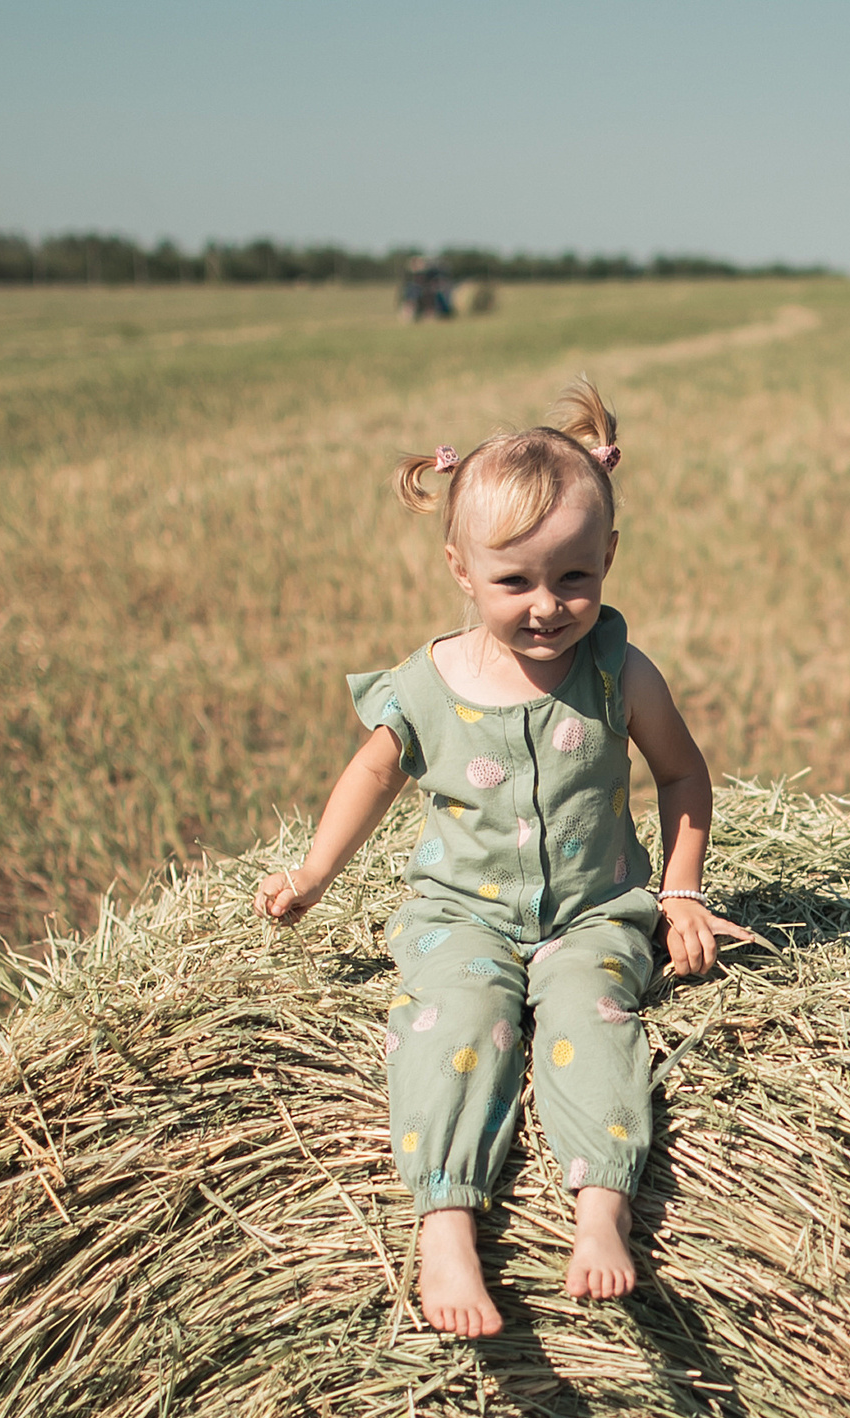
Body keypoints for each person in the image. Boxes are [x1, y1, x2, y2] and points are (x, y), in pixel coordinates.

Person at [254, 379, 730, 1337]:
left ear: (609, 560)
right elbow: (371, 776)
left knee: (596, 1023)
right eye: (516, 582)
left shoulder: (620, 672)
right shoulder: (424, 684)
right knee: (455, 1022)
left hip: (594, 913)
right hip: (459, 917)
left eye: (574, 579)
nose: (549, 607)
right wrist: (312, 874)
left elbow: (683, 777)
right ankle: (445, 1222)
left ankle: (601, 1211)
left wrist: (679, 891)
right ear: (460, 569)